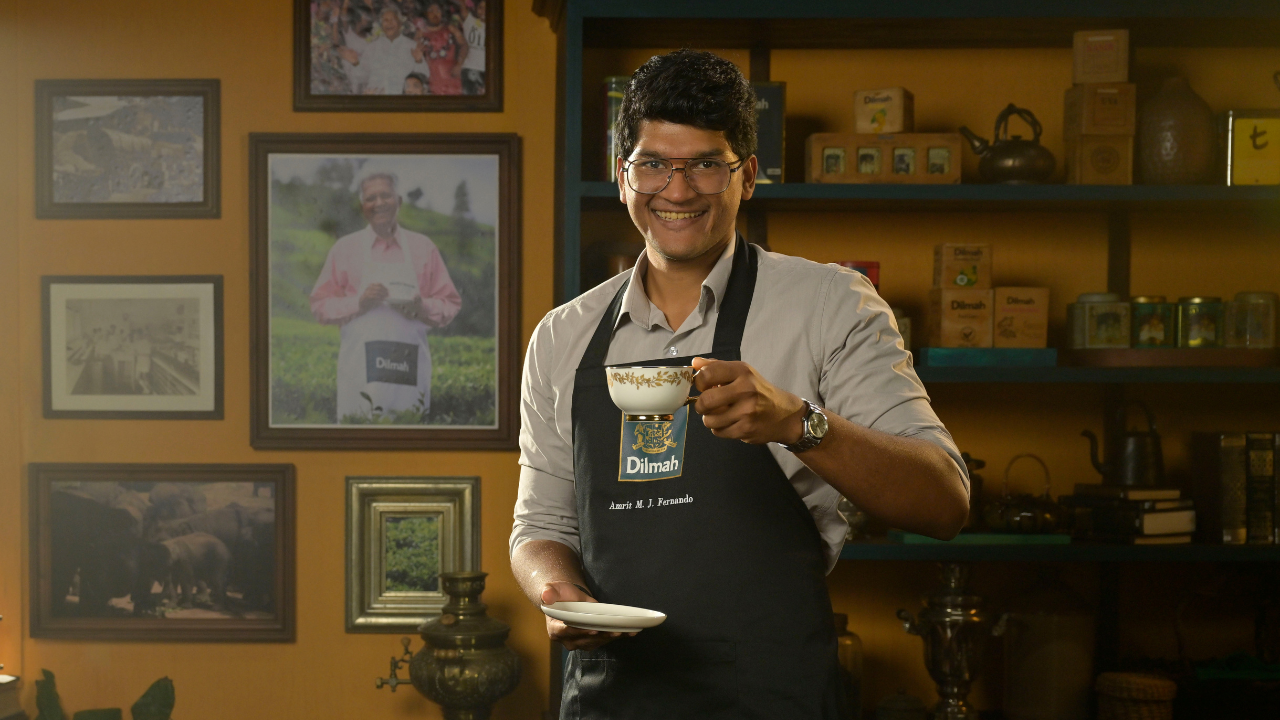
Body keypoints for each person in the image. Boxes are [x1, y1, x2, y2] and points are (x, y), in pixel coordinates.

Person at [509, 49, 970, 718]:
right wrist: (555, 592)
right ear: (621, 176)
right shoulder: (561, 337)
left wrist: (797, 423)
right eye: (654, 164)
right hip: (611, 696)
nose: (677, 188)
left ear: (747, 176)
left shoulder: (829, 304)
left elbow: (944, 502)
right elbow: (541, 523)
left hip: (772, 693)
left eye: (705, 164)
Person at [310, 172, 462, 422]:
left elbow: (450, 302)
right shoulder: (344, 249)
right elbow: (320, 306)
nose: (378, 202)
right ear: (362, 207)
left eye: (385, 195)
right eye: (371, 198)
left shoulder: (424, 248)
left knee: (410, 437)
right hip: (359, 373)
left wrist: (421, 308)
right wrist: (359, 303)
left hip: (409, 371)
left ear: (399, 201)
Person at [355, 7, 429, 94]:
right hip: (377, 101)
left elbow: (424, 77)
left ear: (400, 23)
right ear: (381, 25)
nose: (389, 23)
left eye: (393, 19)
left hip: (402, 102)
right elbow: (361, 77)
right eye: (385, 20)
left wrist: (418, 60)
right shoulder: (372, 47)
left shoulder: (412, 46)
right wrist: (355, 63)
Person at [413, 0, 465, 95]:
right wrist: (418, 59)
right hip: (432, 81)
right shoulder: (420, 33)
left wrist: (460, 64)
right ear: (425, 13)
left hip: (453, 79)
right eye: (431, 10)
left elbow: (464, 46)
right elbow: (415, 57)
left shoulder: (450, 29)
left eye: (438, 11)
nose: (435, 14)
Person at [457, 0, 485, 95]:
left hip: (487, 70)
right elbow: (462, 7)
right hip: (469, 68)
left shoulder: (496, 26)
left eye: (486, 8)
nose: (483, 10)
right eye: (480, 7)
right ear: (476, 9)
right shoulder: (471, 22)